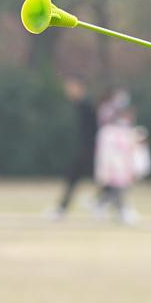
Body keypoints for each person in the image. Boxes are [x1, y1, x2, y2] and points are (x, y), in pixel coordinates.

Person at [50, 76, 97, 218]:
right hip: (86, 149)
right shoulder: (80, 105)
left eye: (72, 87)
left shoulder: (86, 105)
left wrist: (93, 148)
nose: (68, 91)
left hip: (90, 150)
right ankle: (61, 209)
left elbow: (95, 129)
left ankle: (116, 207)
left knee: (106, 180)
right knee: (73, 178)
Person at [93, 104, 143, 224]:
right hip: (114, 168)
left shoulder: (124, 131)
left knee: (114, 190)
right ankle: (121, 211)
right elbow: (106, 153)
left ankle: (101, 205)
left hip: (121, 168)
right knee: (116, 190)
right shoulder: (109, 132)